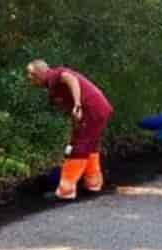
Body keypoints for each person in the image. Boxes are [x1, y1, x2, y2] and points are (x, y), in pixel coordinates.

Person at [26, 60, 114, 201]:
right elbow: (66, 104)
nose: (29, 78)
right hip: (98, 109)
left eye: (31, 74)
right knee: (89, 146)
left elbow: (70, 79)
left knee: (78, 148)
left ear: (40, 73)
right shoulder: (51, 85)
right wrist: (75, 121)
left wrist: (78, 104)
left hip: (91, 109)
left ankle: (65, 191)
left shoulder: (54, 75)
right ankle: (93, 184)